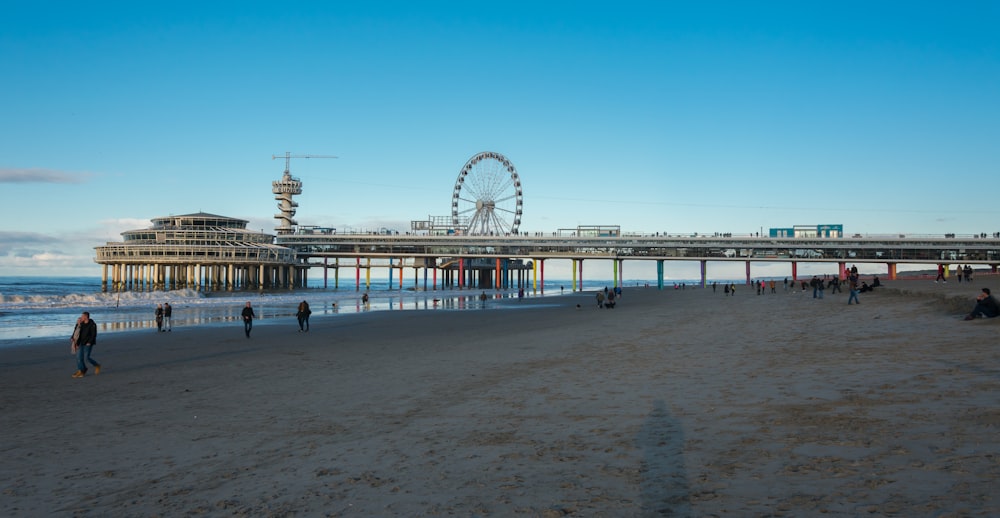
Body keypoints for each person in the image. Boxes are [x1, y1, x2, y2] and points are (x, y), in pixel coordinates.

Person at [72, 311, 100, 378]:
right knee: (79, 358)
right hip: (80, 342)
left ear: (86, 317)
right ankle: (81, 370)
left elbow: (94, 334)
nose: (81, 317)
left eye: (82, 316)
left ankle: (97, 365)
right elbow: (76, 331)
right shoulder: (80, 324)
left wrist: (89, 342)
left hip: (88, 343)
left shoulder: (92, 324)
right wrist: (72, 337)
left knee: (87, 358)